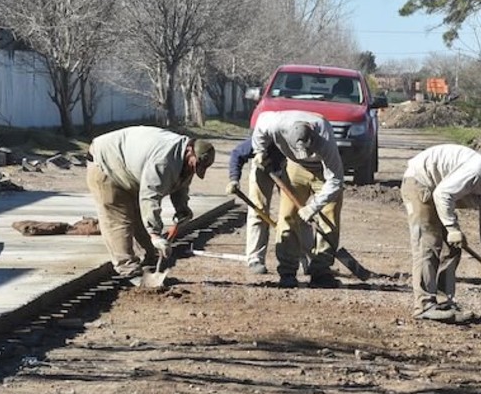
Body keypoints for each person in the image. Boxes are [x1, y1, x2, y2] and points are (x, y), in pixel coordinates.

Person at [400, 144, 481, 322]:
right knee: (428, 244)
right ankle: (424, 305)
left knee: (452, 249)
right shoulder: (477, 171)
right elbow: (442, 194)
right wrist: (452, 228)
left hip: (438, 192)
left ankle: (444, 301)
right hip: (421, 183)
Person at [85, 126, 215, 279]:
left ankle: (149, 260)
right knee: (120, 219)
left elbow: (181, 183)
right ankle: (128, 268)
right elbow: (150, 197)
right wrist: (155, 235)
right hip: (105, 164)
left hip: (127, 170)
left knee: (141, 215)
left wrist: (182, 207)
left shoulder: (185, 158)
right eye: (195, 166)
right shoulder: (163, 161)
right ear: (189, 152)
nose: (194, 170)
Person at [249, 110, 345, 289]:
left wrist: (313, 207)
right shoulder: (275, 123)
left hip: (324, 171)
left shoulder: (324, 133)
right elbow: (260, 125)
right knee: (287, 217)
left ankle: (320, 271)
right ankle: (287, 272)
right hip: (295, 167)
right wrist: (260, 151)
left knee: (329, 216)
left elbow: (336, 180)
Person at [225, 137, 284, 275]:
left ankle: (304, 258)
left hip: (288, 165)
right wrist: (234, 179)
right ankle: (255, 258)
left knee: (295, 212)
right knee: (258, 210)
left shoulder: (294, 140)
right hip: (262, 165)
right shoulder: (261, 139)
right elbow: (237, 154)